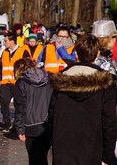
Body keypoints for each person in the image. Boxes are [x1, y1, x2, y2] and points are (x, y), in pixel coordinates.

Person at [48, 34, 116, 165]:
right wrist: (107, 156)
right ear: (97, 54)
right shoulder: (105, 84)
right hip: (92, 150)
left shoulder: (61, 81)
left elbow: (51, 117)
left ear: (76, 54)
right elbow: (109, 123)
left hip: (63, 149)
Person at [13, 58, 52, 165]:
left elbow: (20, 107)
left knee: (35, 159)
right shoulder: (49, 78)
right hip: (48, 124)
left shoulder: (21, 83)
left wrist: (20, 129)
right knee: (42, 158)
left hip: (31, 126)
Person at [0, 31, 30, 133]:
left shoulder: (23, 51)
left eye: (6, 40)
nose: (4, 42)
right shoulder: (4, 52)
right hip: (5, 83)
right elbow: (1, 67)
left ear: (12, 41)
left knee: (19, 105)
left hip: (18, 83)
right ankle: (7, 123)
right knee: (3, 103)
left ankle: (18, 125)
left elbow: (28, 67)